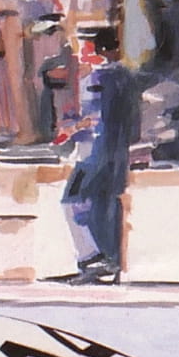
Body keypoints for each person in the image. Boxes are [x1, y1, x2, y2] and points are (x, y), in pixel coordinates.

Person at [56, 25, 137, 283]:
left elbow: (95, 120)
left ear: (95, 48)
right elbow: (132, 124)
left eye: (83, 46)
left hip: (93, 154)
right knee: (106, 206)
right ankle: (107, 264)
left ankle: (92, 259)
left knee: (73, 201)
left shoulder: (98, 79)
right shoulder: (126, 77)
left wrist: (73, 129)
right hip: (116, 154)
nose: (80, 52)